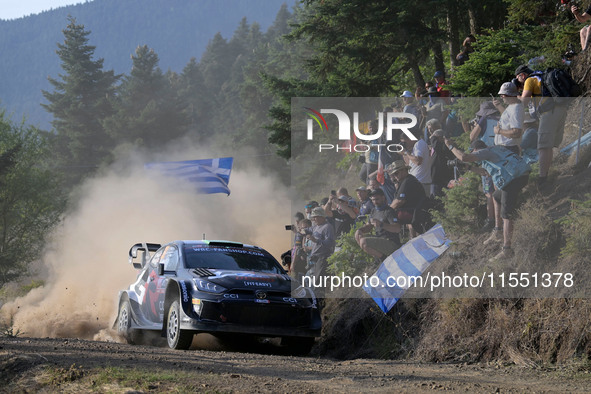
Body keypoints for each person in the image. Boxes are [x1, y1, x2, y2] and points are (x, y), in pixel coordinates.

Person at [445, 138, 531, 262]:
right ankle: (498, 231)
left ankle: (507, 249)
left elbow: (464, 156)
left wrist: (450, 146)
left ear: (476, 150)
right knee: (496, 196)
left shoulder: (484, 151)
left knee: (506, 215)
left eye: (473, 152)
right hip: (520, 174)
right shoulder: (495, 151)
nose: (474, 155)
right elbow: (486, 173)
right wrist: (468, 168)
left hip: (513, 179)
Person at [515, 64, 568, 186]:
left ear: (522, 75)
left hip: (548, 112)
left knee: (543, 146)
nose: (520, 83)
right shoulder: (542, 75)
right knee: (548, 145)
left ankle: (543, 178)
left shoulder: (529, 80)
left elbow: (524, 102)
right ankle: (547, 173)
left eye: (518, 79)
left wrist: (517, 96)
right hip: (561, 109)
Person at [354, 188, 401, 261]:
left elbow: (397, 229)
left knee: (364, 242)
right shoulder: (374, 210)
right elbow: (369, 226)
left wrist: (382, 224)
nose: (375, 202)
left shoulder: (389, 211)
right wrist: (361, 230)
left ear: (383, 198)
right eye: (373, 200)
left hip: (391, 242)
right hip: (380, 239)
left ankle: (383, 259)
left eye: (377, 199)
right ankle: (379, 257)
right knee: (358, 235)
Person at [387, 160, 427, 238]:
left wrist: (387, 211)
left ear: (404, 170)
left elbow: (399, 201)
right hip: (413, 215)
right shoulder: (404, 182)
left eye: (396, 173)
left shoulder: (408, 181)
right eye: (393, 175)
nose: (395, 176)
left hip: (417, 214)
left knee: (389, 218)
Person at [492, 82, 524, 155]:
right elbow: (508, 117)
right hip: (506, 148)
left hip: (508, 149)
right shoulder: (513, 106)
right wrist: (498, 106)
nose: (501, 97)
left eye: (502, 95)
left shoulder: (516, 109)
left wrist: (499, 131)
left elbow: (516, 133)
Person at [305, 207, 336, 281]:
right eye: (313, 217)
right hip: (316, 258)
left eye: (316, 217)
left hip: (323, 257)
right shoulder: (316, 227)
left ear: (322, 217)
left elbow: (330, 242)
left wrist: (316, 240)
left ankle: (320, 292)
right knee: (315, 280)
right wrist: (297, 230)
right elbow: (306, 230)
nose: (314, 219)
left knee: (318, 281)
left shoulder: (327, 227)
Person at [429, 129, 454, 198]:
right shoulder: (442, 146)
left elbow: (436, 146)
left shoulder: (443, 146)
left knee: (436, 198)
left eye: (436, 138)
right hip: (438, 177)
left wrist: (433, 137)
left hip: (440, 178)